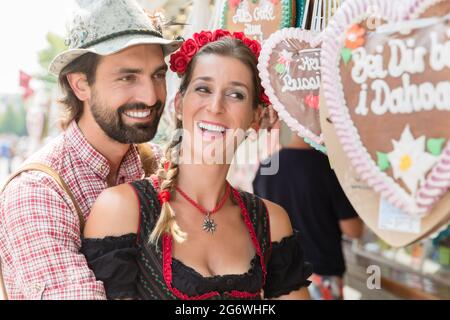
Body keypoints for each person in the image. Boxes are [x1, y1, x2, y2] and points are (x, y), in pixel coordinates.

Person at [80, 30, 313, 300]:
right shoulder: (122, 208)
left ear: (256, 117)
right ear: (179, 104)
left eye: (236, 95)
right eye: (203, 89)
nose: (215, 107)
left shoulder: (271, 222)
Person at [0, 0, 181, 300]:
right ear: (80, 84)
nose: (150, 96)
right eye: (128, 77)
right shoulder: (37, 192)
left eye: (158, 75)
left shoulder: (158, 165)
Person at [253, 124, 364, 300]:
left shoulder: (266, 168)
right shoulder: (330, 169)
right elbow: (353, 230)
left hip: (278, 280)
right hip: (322, 276)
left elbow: (257, 228)